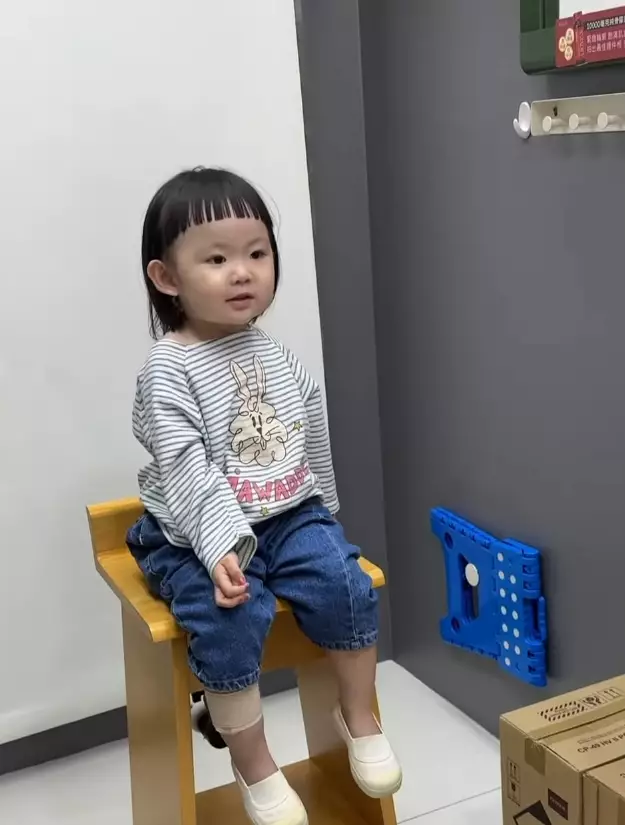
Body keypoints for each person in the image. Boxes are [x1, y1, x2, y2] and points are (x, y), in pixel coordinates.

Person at [126, 167, 402, 825]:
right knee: (228, 617)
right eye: (216, 259)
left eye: (257, 253)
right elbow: (186, 466)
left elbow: (309, 433)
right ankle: (252, 761)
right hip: (195, 531)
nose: (242, 272)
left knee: (347, 583)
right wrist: (220, 543)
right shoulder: (170, 367)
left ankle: (358, 716)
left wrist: (324, 513)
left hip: (288, 514)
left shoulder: (274, 353)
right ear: (167, 277)